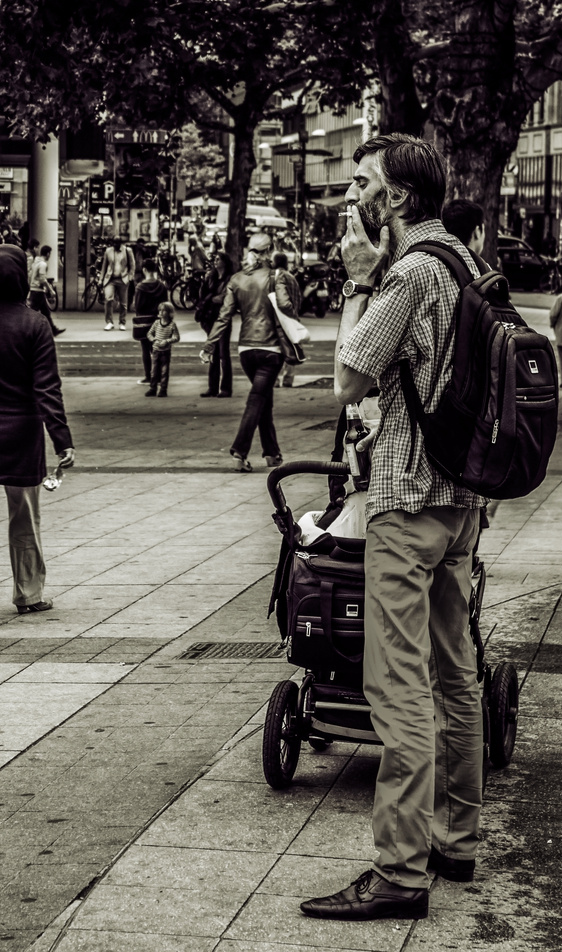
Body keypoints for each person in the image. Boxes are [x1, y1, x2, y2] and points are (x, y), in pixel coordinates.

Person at [300, 134, 485, 922]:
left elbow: (349, 378)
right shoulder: (467, 261)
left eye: (361, 184)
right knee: (455, 670)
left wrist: (357, 279)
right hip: (462, 500)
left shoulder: (408, 271)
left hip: (407, 503)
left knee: (396, 685)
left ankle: (401, 872)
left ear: (397, 200)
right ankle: (458, 838)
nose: (352, 198)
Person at [0, 245, 75, 613]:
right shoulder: (34, 324)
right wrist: (62, 440)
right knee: (24, 520)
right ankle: (29, 594)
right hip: (20, 436)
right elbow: (46, 389)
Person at [203, 232, 285, 472]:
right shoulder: (273, 277)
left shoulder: (236, 279)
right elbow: (287, 306)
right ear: (269, 250)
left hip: (246, 351)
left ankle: (272, 453)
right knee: (258, 399)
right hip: (271, 349)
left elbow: (224, 316)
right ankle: (240, 450)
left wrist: (209, 344)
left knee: (263, 399)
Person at [197, 251, 233, 398]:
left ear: (225, 262)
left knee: (224, 353)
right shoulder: (211, 277)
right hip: (210, 318)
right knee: (213, 353)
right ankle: (212, 387)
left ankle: (225, 388)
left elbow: (225, 298)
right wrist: (205, 282)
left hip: (222, 318)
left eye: (219, 259)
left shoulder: (230, 279)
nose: (216, 261)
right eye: (215, 259)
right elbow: (203, 295)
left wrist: (214, 298)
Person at [133, 260, 169, 387]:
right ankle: (159, 376)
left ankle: (149, 376)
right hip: (159, 322)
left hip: (145, 324)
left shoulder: (140, 287)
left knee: (145, 350)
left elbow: (137, 307)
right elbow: (166, 305)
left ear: (144, 270)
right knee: (158, 349)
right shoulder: (162, 286)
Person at [271, 250, 302, 387]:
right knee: (290, 349)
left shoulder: (277, 277)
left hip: (279, 319)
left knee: (276, 350)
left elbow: (281, 302)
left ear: (275, 262)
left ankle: (275, 380)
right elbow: (299, 299)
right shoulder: (291, 277)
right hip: (293, 318)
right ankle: (288, 380)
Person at [28, 244, 65, 337]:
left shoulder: (35, 262)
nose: (50, 255)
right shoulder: (43, 264)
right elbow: (42, 279)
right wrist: (51, 290)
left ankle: (53, 329)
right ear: (48, 254)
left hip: (34, 289)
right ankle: (26, 330)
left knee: (45, 312)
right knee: (34, 312)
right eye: (50, 253)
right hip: (38, 290)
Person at [100, 237, 135, 331]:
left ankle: (122, 322)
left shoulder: (127, 251)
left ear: (121, 243)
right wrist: (101, 279)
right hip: (110, 279)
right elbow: (104, 266)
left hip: (123, 279)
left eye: (117, 243)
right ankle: (109, 322)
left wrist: (130, 278)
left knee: (123, 303)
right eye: (114, 243)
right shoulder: (108, 251)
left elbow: (132, 265)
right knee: (108, 299)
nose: (115, 245)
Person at [145, 301, 179, 397]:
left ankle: (163, 389)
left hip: (165, 352)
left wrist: (167, 341)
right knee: (154, 371)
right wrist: (154, 340)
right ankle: (153, 388)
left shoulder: (172, 325)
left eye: (163, 310)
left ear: (169, 313)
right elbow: (149, 334)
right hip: (156, 350)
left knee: (164, 371)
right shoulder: (156, 323)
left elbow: (176, 337)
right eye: (160, 310)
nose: (160, 312)